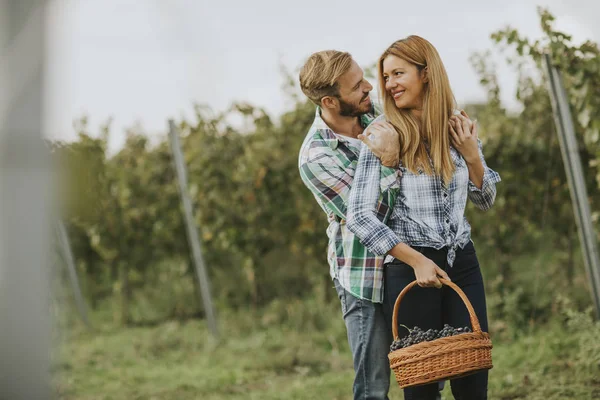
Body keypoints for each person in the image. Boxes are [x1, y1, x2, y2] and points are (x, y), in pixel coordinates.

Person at [347, 35, 501, 400]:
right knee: (421, 386)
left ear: (426, 73)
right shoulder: (384, 134)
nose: (389, 84)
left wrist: (472, 155)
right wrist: (416, 262)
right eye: (385, 77)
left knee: (473, 378)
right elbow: (358, 216)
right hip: (411, 271)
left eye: (398, 73)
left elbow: (485, 201)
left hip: (461, 263)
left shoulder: (457, 127)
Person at [297, 50, 402, 400]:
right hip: (363, 275)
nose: (370, 87)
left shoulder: (381, 114)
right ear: (329, 100)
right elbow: (371, 212)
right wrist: (392, 159)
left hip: (411, 261)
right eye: (357, 86)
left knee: (427, 372)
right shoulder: (316, 156)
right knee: (373, 388)